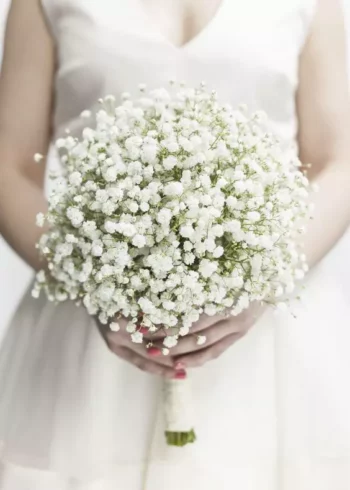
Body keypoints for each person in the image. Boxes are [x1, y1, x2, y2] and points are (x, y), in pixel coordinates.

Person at [0, 0, 350, 488]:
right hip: (89, 338)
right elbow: (10, 166)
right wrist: (90, 279)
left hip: (271, 343)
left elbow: (338, 162)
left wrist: (263, 278)